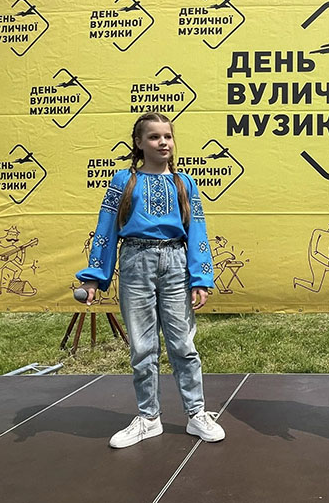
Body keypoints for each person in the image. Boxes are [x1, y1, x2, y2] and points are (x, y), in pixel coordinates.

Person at [76, 112, 225, 448]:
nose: (163, 143)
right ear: (139, 143)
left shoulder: (184, 183)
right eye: (154, 137)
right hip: (135, 261)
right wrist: (94, 279)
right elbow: (106, 230)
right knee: (143, 346)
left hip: (176, 262)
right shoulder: (123, 181)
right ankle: (148, 418)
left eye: (167, 136)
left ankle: (196, 414)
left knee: (183, 345)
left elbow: (197, 231)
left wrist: (200, 277)